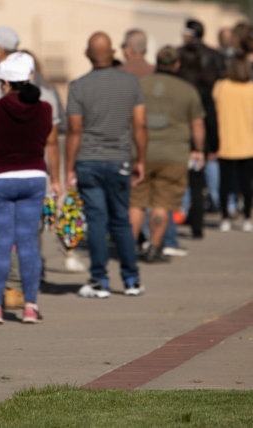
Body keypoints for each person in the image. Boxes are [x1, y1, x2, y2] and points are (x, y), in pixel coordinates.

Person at [0, 50, 65, 310]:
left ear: (5, 82)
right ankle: (28, 304)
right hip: (33, 176)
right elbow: (49, 141)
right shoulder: (46, 105)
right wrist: (56, 178)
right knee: (28, 241)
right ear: (29, 77)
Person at [66, 32, 146, 298]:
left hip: (88, 160)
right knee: (121, 220)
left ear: (88, 55)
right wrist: (141, 160)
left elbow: (74, 131)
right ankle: (131, 279)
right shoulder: (131, 83)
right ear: (113, 53)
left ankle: (99, 280)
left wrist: (69, 167)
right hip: (120, 158)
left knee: (97, 221)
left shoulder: (78, 86)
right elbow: (139, 125)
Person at [128, 46, 205, 262]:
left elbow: (129, 118)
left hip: (141, 152)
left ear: (157, 63)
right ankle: (155, 247)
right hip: (174, 154)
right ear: (177, 64)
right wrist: (198, 149)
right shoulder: (187, 90)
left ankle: (129, 249)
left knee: (136, 202)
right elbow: (197, 124)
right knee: (162, 203)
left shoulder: (140, 86)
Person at [179, 19, 225, 237]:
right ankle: (214, 202)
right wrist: (214, 141)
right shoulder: (212, 61)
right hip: (204, 125)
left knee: (186, 174)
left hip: (183, 128)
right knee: (205, 167)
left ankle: (185, 209)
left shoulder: (183, 82)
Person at [212, 56, 253, 232]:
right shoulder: (251, 89)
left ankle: (225, 217)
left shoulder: (221, 87)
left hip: (225, 141)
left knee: (225, 184)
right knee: (247, 184)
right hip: (248, 142)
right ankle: (247, 217)